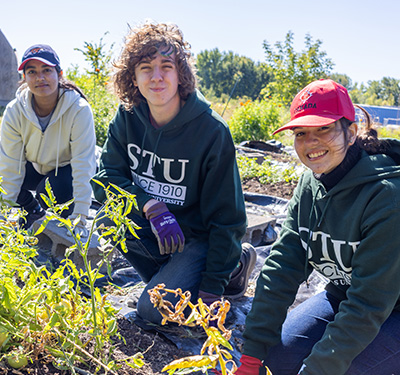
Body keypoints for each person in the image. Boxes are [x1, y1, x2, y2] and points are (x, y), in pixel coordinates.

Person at [91, 21, 256, 325]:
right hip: (158, 230)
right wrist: (151, 206)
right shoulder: (127, 118)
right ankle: (172, 277)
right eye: (145, 67)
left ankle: (232, 266)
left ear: (181, 74)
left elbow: (228, 218)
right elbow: (105, 178)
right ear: (133, 78)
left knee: (152, 312)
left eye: (166, 66)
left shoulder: (211, 131)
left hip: (198, 238)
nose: (156, 77)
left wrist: (211, 288)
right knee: (108, 217)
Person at [237, 79, 400, 375]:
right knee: (275, 360)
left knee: (341, 369)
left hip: (390, 309)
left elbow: (367, 305)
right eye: (301, 133)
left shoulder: (387, 197)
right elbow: (282, 268)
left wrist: (318, 368)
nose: (310, 142)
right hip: (342, 295)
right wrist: (252, 352)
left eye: (323, 128)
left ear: (350, 133)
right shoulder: (310, 184)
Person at [0, 44, 96, 233]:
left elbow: (83, 164)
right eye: (32, 72)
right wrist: (5, 215)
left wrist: (81, 216)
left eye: (46, 70)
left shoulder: (78, 109)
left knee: (49, 191)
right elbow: (10, 166)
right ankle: (32, 209)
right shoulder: (14, 111)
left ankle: (65, 214)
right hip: (35, 166)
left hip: (67, 170)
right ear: (24, 78)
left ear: (59, 74)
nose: (40, 78)